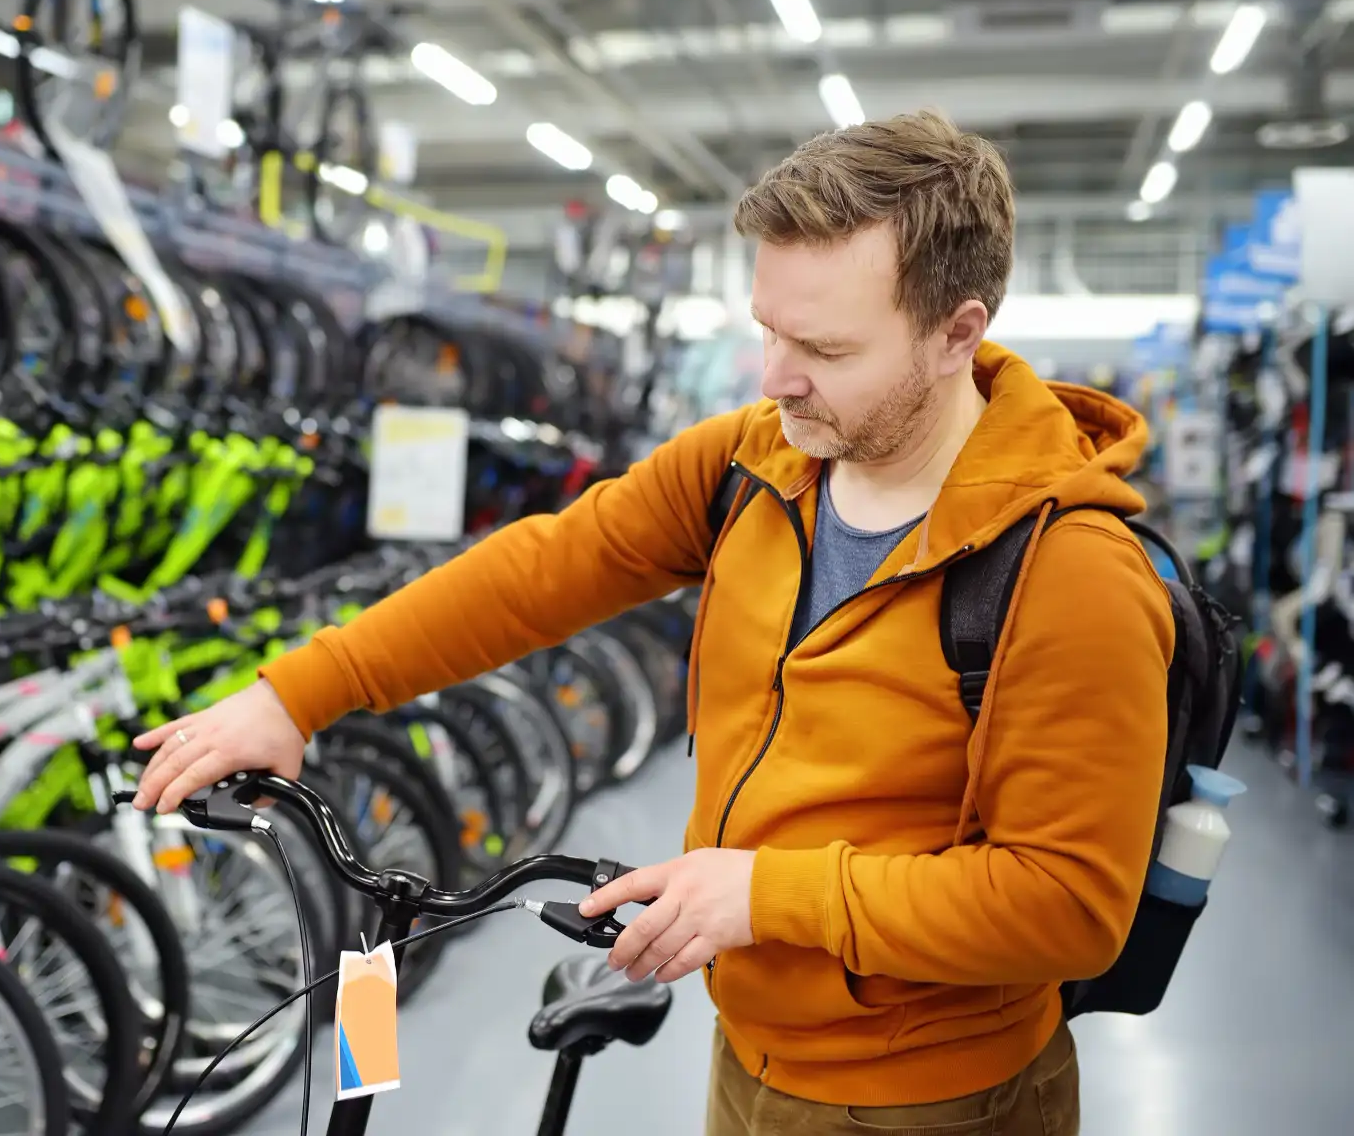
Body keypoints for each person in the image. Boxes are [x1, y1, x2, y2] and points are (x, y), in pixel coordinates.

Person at [130, 109, 1174, 1136]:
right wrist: (297, 691)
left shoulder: (1067, 567)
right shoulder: (752, 462)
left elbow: (1070, 902)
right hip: (753, 1050)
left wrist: (769, 893)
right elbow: (539, 571)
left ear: (959, 334)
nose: (775, 377)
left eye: (824, 346)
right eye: (767, 329)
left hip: (941, 1098)